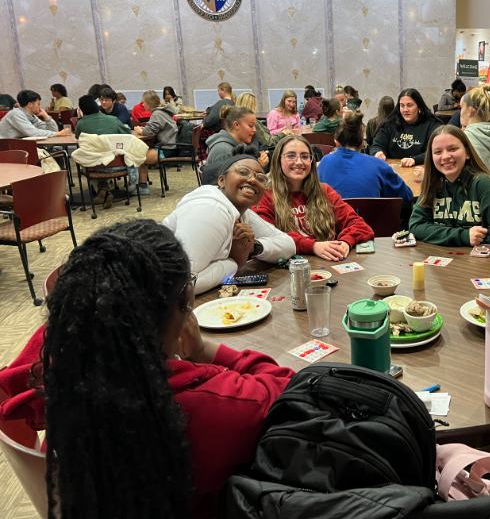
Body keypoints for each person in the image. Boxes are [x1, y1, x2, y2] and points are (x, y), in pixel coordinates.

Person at [0, 219, 295, 518]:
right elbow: (289, 391)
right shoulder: (210, 405)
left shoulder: (59, 375)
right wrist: (205, 351)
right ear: (179, 312)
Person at [165, 149, 295, 293]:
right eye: (243, 172)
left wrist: (253, 247)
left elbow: (289, 245)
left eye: (260, 178)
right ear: (222, 180)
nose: (252, 180)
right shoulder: (211, 209)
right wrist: (234, 262)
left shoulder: (242, 213)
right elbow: (182, 285)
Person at [254, 136, 374, 261]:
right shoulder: (264, 196)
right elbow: (268, 238)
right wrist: (313, 246)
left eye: (305, 156)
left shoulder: (324, 191)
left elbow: (360, 225)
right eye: (290, 156)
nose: (299, 162)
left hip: (328, 264)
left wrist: (345, 242)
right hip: (286, 269)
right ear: (278, 160)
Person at [409, 125, 490, 247]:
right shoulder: (432, 184)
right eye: (438, 152)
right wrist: (464, 236)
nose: (445, 157)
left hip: (487, 260)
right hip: (450, 256)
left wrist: (474, 238)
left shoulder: (483, 183)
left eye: (453, 149)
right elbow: (416, 226)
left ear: (467, 153)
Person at [318, 111, 413, 203]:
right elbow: (407, 196)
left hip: (333, 219)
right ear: (362, 143)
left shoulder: (324, 163)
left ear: (336, 141)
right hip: (370, 219)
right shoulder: (378, 165)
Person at [369, 88, 440, 167]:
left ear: (419, 107)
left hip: (420, 169)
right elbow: (376, 145)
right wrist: (378, 152)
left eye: (409, 105)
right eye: (402, 106)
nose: (405, 110)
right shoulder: (389, 124)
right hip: (392, 170)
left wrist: (415, 159)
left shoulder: (432, 125)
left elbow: (436, 151)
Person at [133, 91, 179, 194]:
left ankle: (140, 186)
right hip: (170, 146)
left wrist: (140, 130)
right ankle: (142, 185)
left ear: (149, 103)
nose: (143, 104)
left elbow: (149, 132)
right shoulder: (162, 111)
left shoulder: (157, 114)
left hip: (166, 149)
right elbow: (154, 128)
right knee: (141, 154)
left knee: (138, 156)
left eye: (144, 102)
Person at [204, 106, 268, 175]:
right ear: (236, 125)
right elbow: (229, 182)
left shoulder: (241, 145)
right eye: (251, 125)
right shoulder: (223, 151)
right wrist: (258, 166)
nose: (254, 130)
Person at [0, 89, 69, 139]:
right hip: (6, 149)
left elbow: (53, 130)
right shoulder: (16, 114)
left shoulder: (31, 116)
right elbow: (33, 133)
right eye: (38, 104)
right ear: (30, 104)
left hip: (19, 146)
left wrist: (46, 117)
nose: (40, 107)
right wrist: (57, 134)